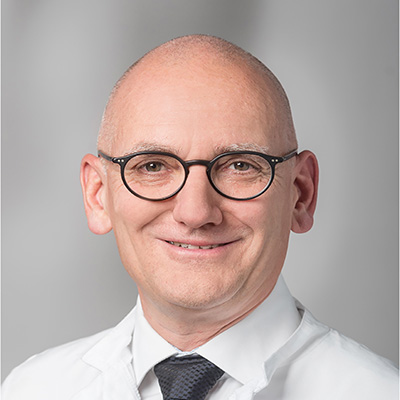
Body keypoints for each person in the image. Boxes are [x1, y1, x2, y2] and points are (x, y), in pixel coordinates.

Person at [2, 35, 398, 400]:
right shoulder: (32, 390)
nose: (195, 213)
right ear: (97, 195)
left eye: (240, 165)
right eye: (153, 166)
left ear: (301, 194)